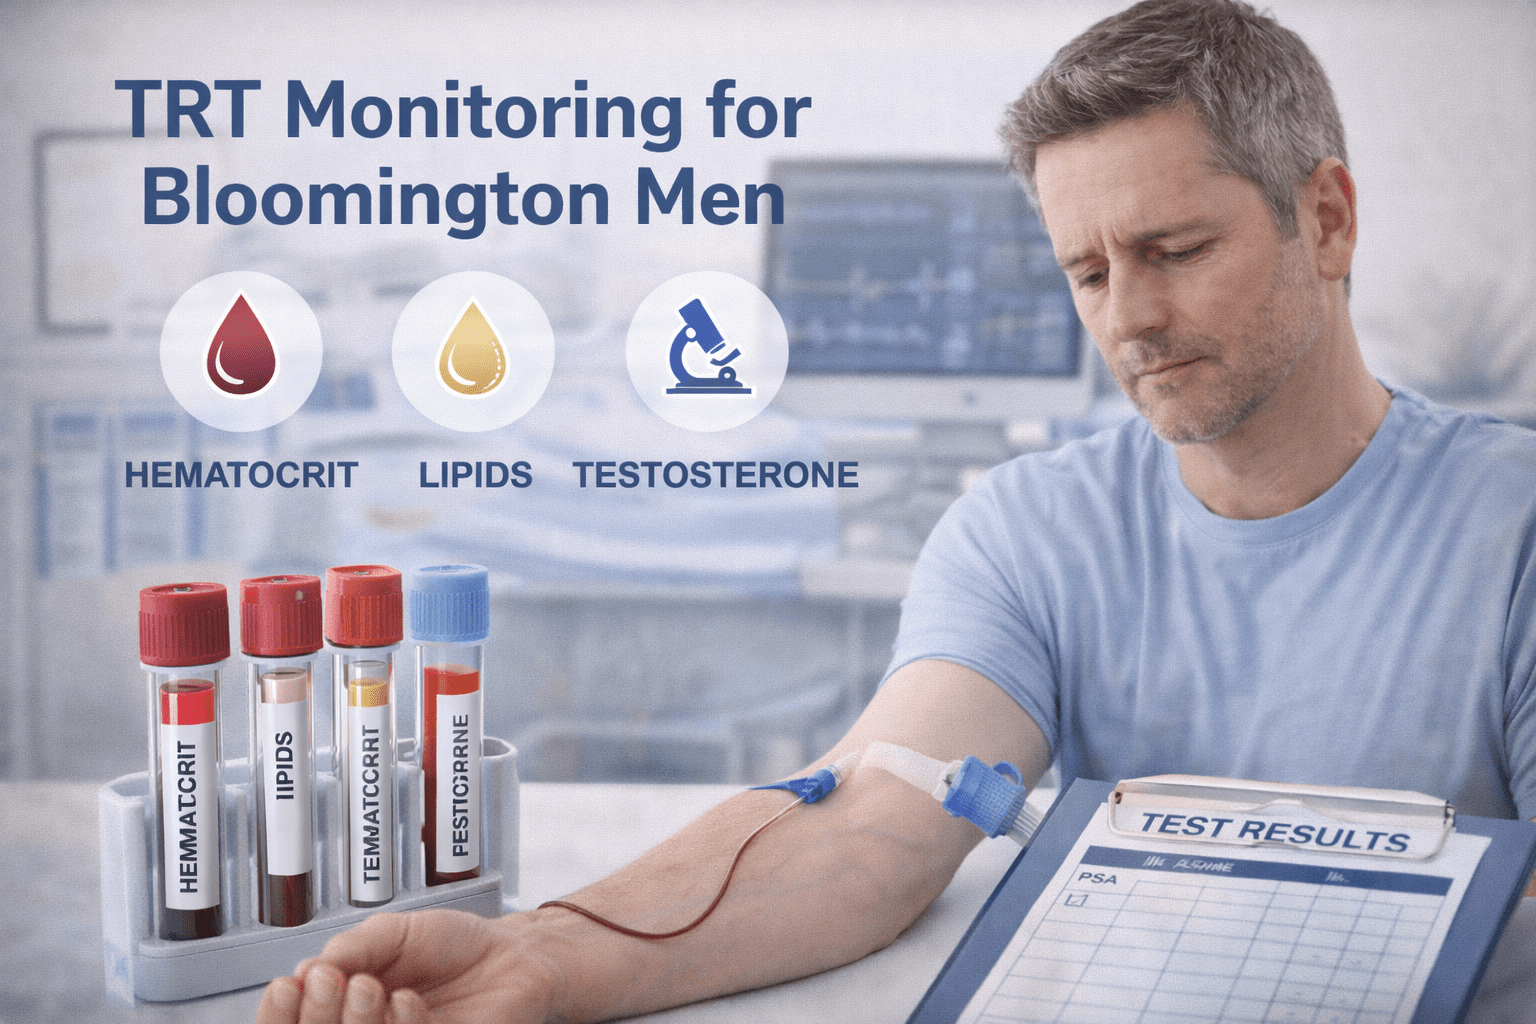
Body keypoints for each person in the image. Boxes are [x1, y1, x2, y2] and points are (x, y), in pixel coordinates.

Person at [257, 1, 1536, 1021]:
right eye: (1087, 271)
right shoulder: (1033, 532)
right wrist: (538, 953)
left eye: (1177, 252)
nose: (1128, 321)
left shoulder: (1512, 530)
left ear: (1325, 218)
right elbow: (867, 823)